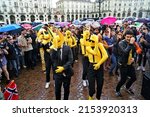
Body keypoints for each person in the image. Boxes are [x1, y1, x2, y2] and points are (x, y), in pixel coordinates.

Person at [50, 29, 73, 100]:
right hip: (57, 73)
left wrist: (63, 67)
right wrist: (55, 49)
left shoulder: (67, 48)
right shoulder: (54, 48)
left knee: (66, 89)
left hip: (67, 72)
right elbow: (52, 59)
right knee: (57, 90)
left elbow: (70, 60)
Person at [86, 34, 108, 100]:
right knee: (91, 84)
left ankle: (98, 97)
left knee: (100, 84)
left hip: (99, 67)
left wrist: (99, 64)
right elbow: (94, 52)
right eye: (90, 41)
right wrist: (95, 43)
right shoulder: (88, 47)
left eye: (93, 41)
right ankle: (90, 96)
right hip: (91, 67)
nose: (91, 42)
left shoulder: (100, 45)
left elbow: (105, 56)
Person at [115, 30, 137, 97]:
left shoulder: (133, 43)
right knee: (123, 80)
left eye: (131, 37)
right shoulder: (121, 43)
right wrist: (130, 44)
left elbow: (134, 52)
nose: (129, 38)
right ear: (124, 36)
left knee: (134, 77)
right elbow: (125, 53)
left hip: (130, 64)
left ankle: (127, 87)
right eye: (127, 37)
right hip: (123, 64)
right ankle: (117, 90)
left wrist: (134, 58)